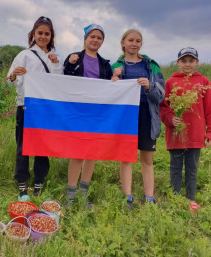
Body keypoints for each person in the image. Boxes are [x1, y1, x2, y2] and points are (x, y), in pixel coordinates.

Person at [7, 16, 63, 201]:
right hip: (26, 107)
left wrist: (55, 64)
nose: (43, 37)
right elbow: (9, 83)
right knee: (23, 146)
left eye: (47, 34)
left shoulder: (54, 58)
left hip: (45, 109)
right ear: (33, 34)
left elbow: (58, 84)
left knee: (42, 146)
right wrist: (14, 75)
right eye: (40, 33)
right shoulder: (24, 55)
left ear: (51, 36)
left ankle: (39, 181)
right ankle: (22, 184)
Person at [111, 29, 165, 208]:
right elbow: (108, 95)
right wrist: (114, 78)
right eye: (131, 40)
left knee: (147, 159)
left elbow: (161, 95)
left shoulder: (152, 65)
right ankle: (128, 197)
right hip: (125, 116)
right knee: (126, 157)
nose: (134, 44)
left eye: (138, 41)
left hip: (147, 114)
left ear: (141, 44)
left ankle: (149, 197)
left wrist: (150, 87)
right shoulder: (115, 66)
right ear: (123, 43)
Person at [63, 23, 112, 208]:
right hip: (77, 113)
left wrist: (114, 80)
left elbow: (109, 88)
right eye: (92, 36)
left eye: (99, 38)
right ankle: (70, 195)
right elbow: (64, 80)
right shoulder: (73, 57)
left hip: (96, 114)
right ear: (85, 39)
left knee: (91, 154)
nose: (95, 40)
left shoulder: (105, 64)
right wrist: (70, 64)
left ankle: (84, 193)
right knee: (77, 154)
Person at [160, 47, 211, 213]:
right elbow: (163, 107)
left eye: (191, 61)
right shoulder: (170, 83)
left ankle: (191, 200)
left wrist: (209, 132)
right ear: (178, 63)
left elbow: (209, 109)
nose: (187, 64)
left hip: (195, 135)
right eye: (184, 61)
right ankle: (176, 199)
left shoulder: (204, 82)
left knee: (192, 168)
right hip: (176, 134)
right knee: (175, 167)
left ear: (197, 63)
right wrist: (170, 119)